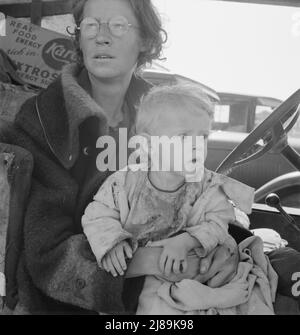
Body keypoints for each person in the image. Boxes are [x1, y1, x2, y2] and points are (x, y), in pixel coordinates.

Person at [0, 0, 298, 315]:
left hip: (192, 262)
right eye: (91, 25)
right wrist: (153, 260)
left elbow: (195, 198)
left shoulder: (165, 113)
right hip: (111, 290)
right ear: (79, 38)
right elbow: (48, 255)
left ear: (145, 40)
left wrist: (205, 241)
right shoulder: (44, 122)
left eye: (117, 25)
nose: (102, 37)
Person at [81, 84, 273, 315]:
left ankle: (213, 298)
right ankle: (206, 299)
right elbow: (97, 213)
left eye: (203, 136)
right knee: (155, 305)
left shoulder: (207, 185)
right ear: (148, 145)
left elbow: (218, 221)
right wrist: (112, 241)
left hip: (196, 265)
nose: (196, 145)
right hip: (149, 275)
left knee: (247, 292)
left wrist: (187, 241)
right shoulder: (124, 182)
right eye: (183, 136)